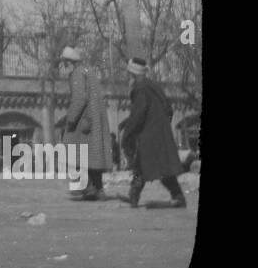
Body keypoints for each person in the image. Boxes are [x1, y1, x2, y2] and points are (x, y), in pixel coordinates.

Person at [120, 58, 187, 208]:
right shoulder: (153, 86)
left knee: (152, 166)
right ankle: (135, 195)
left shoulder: (140, 88)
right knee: (148, 166)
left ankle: (177, 196)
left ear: (133, 74)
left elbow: (139, 115)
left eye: (129, 74)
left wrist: (128, 134)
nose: (127, 77)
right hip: (159, 132)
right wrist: (162, 126)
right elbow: (168, 109)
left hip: (149, 135)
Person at [59, 45, 110, 200]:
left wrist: (70, 120)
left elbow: (79, 99)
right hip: (94, 120)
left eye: (63, 64)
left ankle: (85, 188)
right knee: (93, 155)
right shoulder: (89, 71)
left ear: (68, 63)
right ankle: (98, 189)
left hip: (84, 121)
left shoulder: (77, 74)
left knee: (73, 150)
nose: (62, 68)